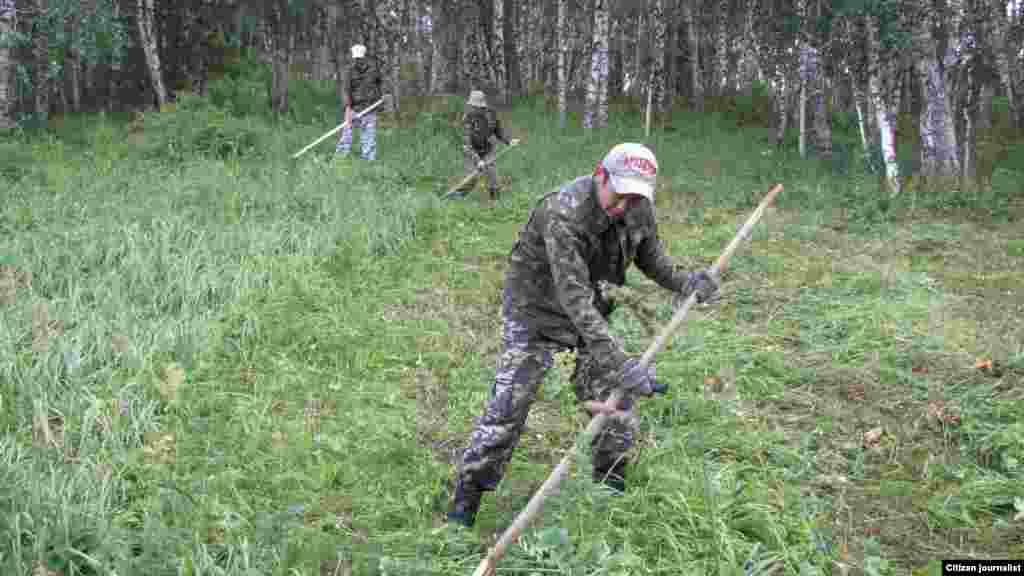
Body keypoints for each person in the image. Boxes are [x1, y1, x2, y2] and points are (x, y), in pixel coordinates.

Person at [446, 143, 719, 528]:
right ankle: (466, 499)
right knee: (509, 407)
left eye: (634, 198)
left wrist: (686, 283)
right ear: (599, 175)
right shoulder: (563, 213)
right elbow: (574, 300)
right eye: (618, 194)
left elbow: (651, 258)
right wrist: (621, 362)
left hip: (591, 315)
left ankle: (610, 489)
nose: (624, 206)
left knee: (616, 404)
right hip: (536, 315)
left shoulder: (636, 206)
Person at [453, 90, 519, 202]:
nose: (476, 109)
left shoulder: (491, 115)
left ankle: (496, 202)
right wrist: (478, 161)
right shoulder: (467, 119)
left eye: (478, 106)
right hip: (472, 151)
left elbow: (498, 132)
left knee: (492, 175)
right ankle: (457, 200)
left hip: (487, 149)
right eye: (474, 106)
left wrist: (509, 141)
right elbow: (467, 144)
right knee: (471, 178)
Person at [336, 44, 382, 161]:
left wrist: (381, 98)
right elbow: (346, 90)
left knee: (368, 136)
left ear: (365, 57)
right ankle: (340, 159)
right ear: (353, 57)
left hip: (369, 108)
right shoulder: (349, 71)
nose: (358, 60)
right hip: (353, 109)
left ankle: (368, 160)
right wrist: (347, 109)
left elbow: (380, 85)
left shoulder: (374, 70)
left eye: (360, 58)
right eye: (356, 58)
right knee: (346, 135)